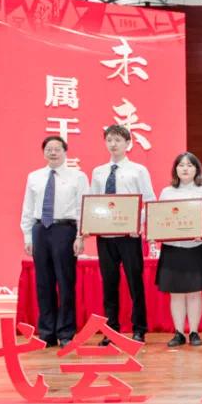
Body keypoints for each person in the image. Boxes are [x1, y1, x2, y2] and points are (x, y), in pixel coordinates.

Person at [89, 125, 156, 345]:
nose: (113, 144)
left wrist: (138, 223)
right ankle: (111, 330)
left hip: (129, 235)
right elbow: (92, 202)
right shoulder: (98, 172)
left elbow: (149, 200)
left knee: (134, 282)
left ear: (128, 143)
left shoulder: (138, 170)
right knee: (109, 283)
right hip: (105, 236)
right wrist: (91, 225)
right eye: (109, 140)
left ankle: (139, 328)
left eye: (118, 140)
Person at [20, 136, 88, 348]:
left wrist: (80, 236)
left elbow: (83, 207)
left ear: (65, 152)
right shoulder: (34, 177)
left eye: (57, 149)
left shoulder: (78, 177)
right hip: (40, 229)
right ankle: (47, 333)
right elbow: (28, 208)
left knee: (65, 283)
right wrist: (28, 236)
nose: (53, 152)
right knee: (44, 283)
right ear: (44, 152)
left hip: (64, 230)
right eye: (49, 149)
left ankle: (66, 332)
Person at [155, 152, 202, 347]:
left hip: (195, 247)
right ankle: (179, 333)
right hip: (172, 248)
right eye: (181, 165)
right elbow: (160, 218)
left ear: (197, 169)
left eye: (190, 165)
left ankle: (194, 332)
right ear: (176, 169)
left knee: (195, 292)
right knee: (176, 293)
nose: (185, 168)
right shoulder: (167, 192)